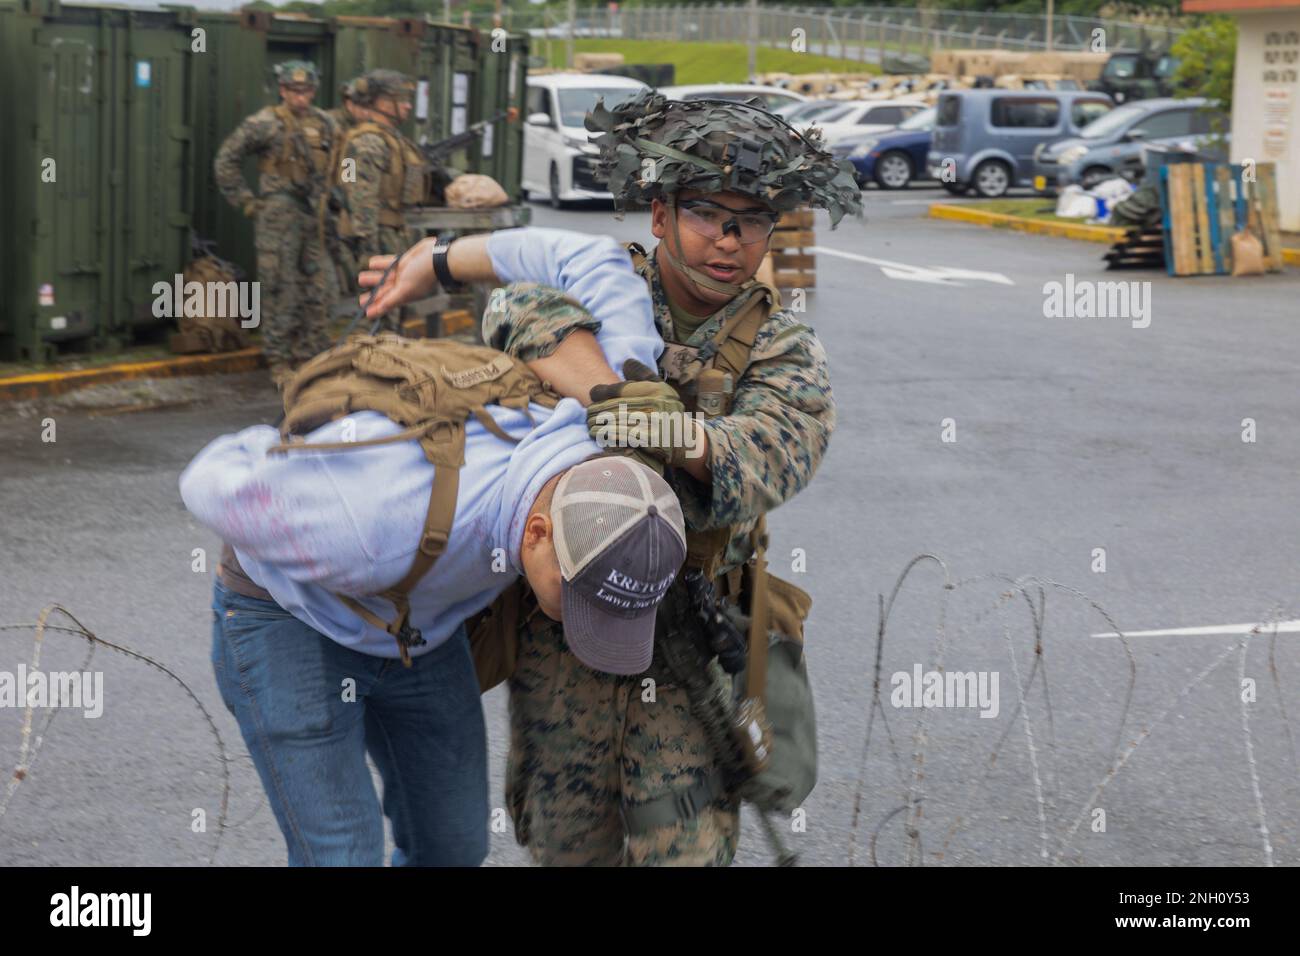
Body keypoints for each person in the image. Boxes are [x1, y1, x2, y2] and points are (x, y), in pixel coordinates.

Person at [355, 89, 862, 866]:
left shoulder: (781, 347)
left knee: (685, 851)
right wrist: (610, 397)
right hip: (564, 634)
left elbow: (772, 454)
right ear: (659, 216)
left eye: (750, 221)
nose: (727, 241)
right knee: (566, 845)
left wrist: (670, 432)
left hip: (691, 638)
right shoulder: (606, 284)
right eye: (705, 214)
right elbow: (521, 312)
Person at [182, 230, 678, 866]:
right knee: (343, 856)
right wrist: (290, 456)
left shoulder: (617, 394)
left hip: (420, 634)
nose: (590, 621)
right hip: (290, 621)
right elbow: (208, 478)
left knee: (453, 850)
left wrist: (442, 259)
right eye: (577, 597)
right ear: (537, 533)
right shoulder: (371, 521)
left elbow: (594, 258)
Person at [213, 60, 334, 387]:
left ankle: (312, 357)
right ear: (282, 90)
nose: (301, 97)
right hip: (278, 216)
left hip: (313, 217)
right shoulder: (264, 123)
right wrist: (248, 203)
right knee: (280, 288)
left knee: (318, 287)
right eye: (294, 91)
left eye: (306, 90)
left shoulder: (324, 123)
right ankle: (280, 361)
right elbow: (226, 160)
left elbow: (340, 163)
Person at [330, 69, 425, 319]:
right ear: (382, 102)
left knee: (390, 314)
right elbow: (359, 196)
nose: (408, 106)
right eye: (401, 99)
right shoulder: (367, 142)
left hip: (392, 235)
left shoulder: (388, 138)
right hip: (377, 240)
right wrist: (368, 249)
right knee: (378, 315)